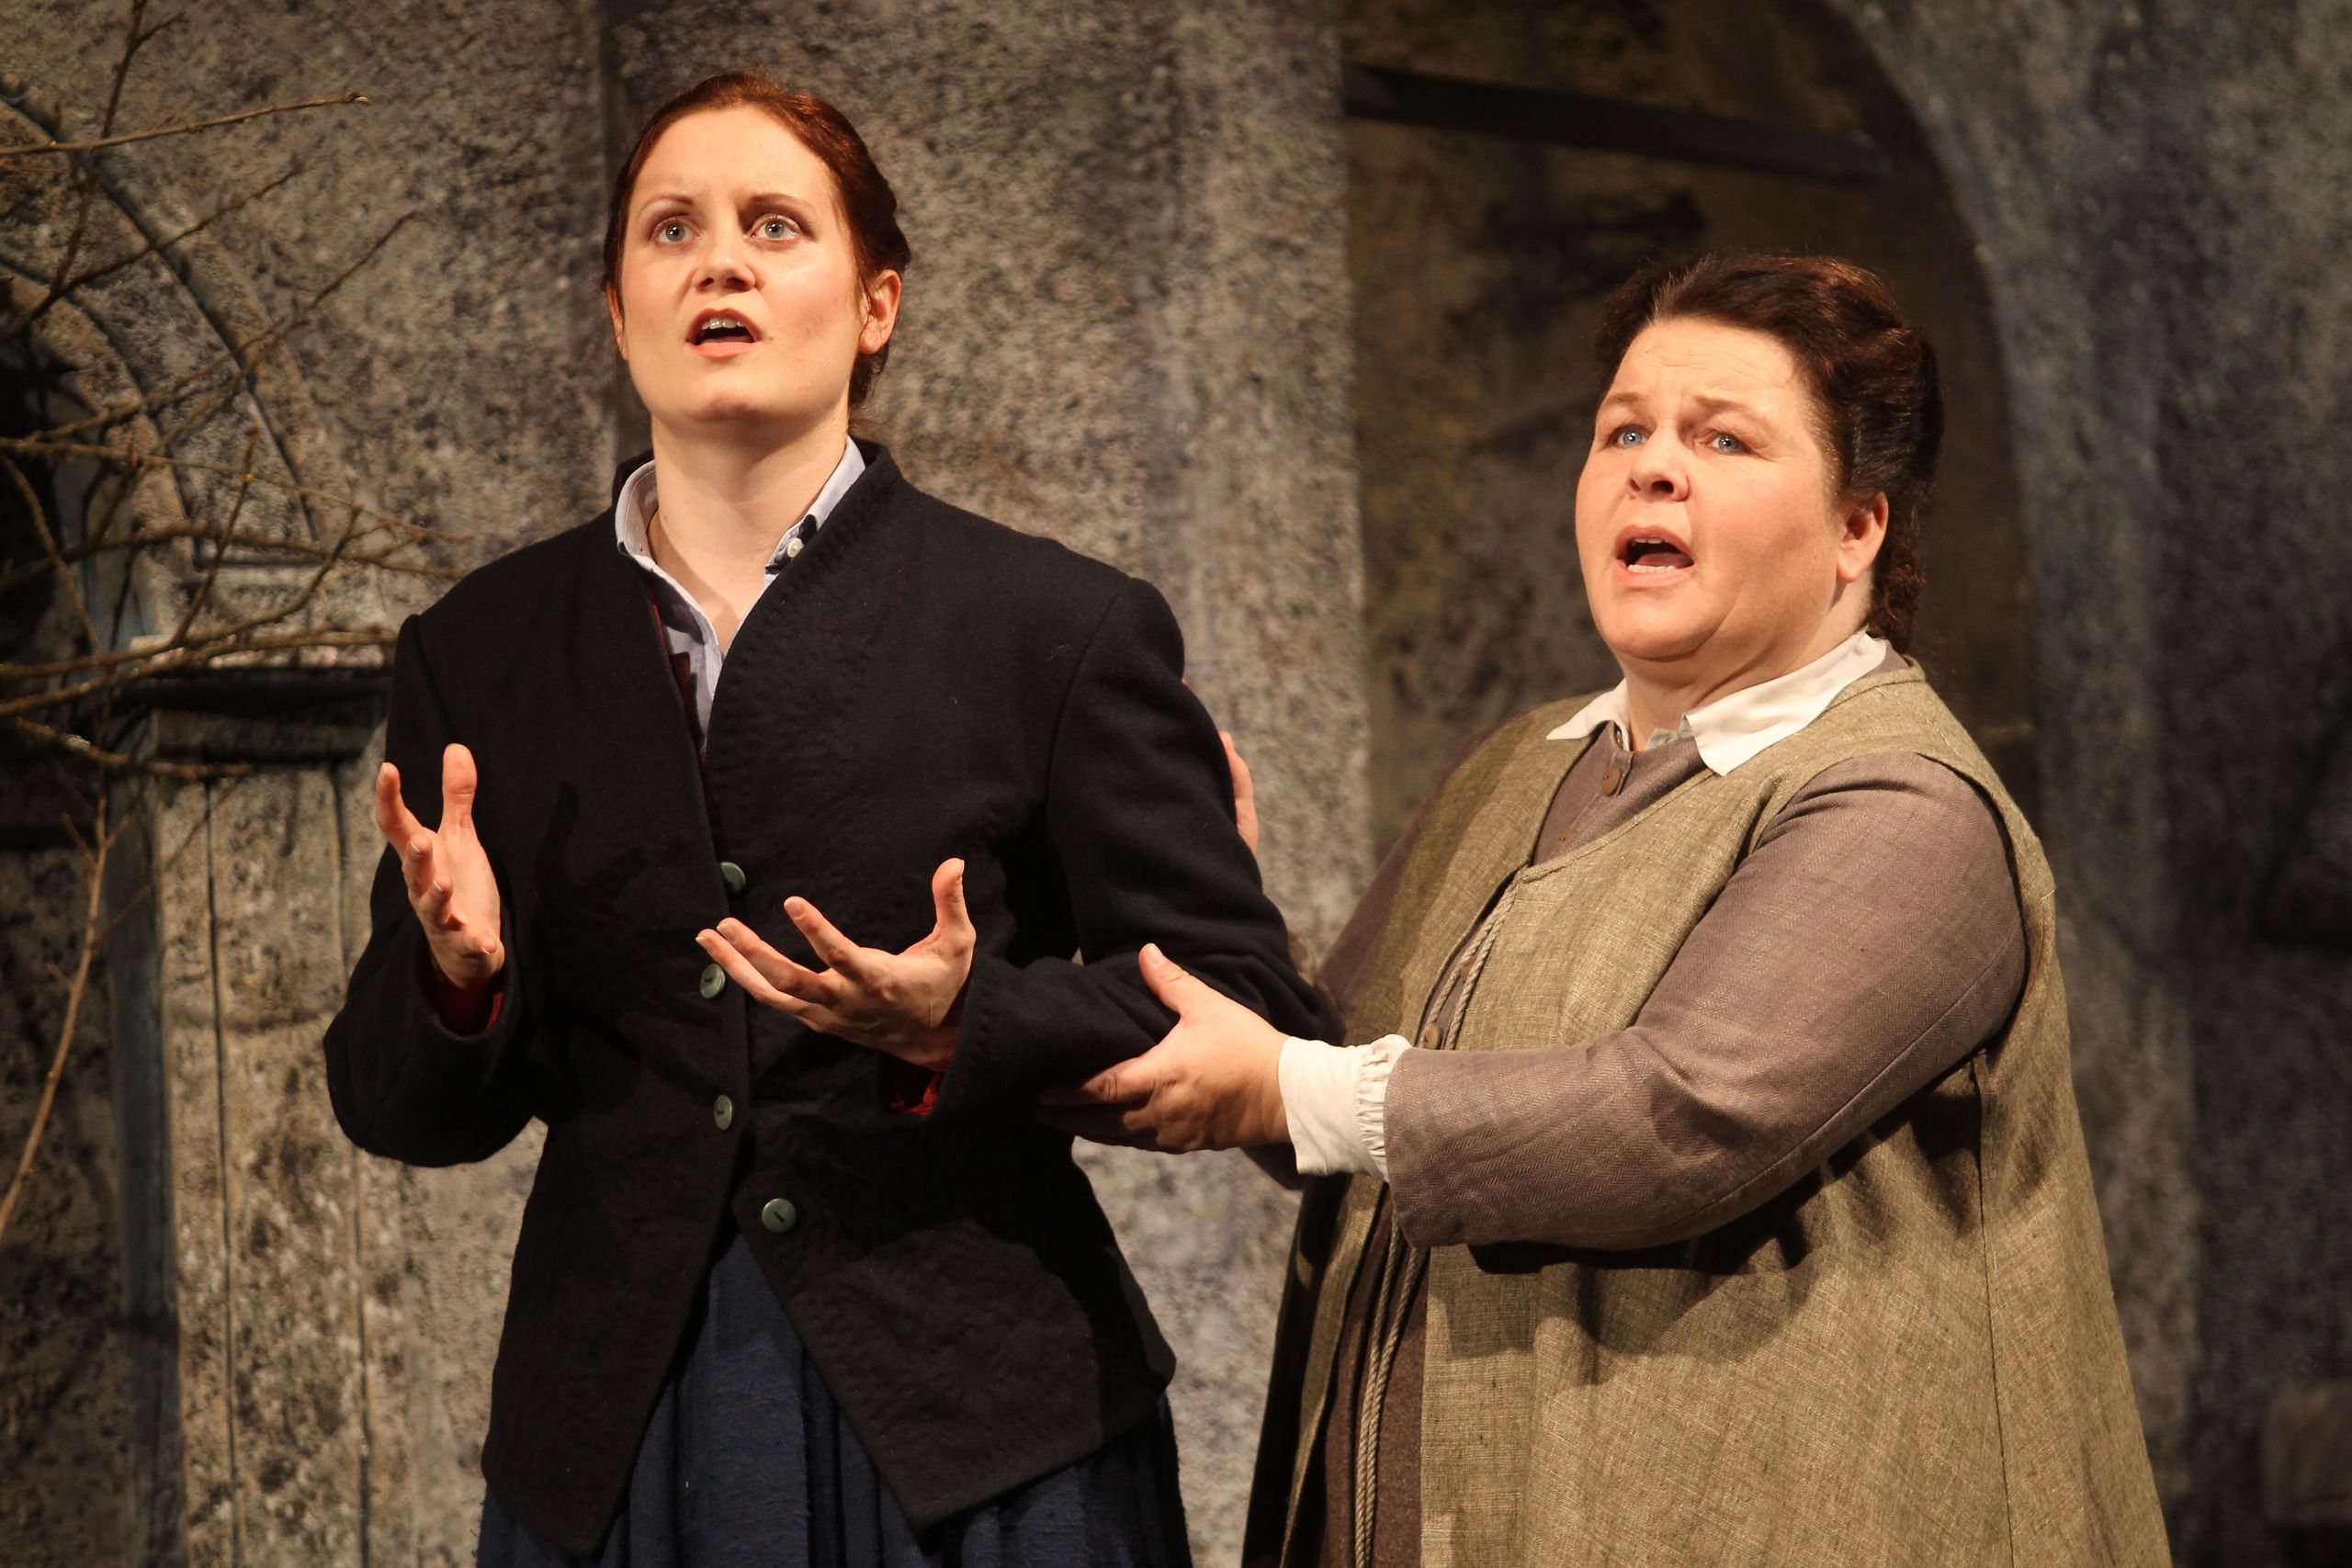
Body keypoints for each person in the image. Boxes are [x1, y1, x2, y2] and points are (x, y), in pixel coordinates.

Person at [322, 70, 1324, 1568]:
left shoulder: (1052, 626)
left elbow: (1248, 1009)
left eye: (775, 226)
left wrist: (968, 1023)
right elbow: (394, 1106)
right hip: (621, 1436)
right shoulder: (483, 651)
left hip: (982, 1430)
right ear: (616, 314)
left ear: (875, 304)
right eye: (672, 230)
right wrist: (459, 979)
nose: (719, 262)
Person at [1046, 254, 2171, 1566]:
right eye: (1624, 431)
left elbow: (1679, 1121)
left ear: (1858, 527)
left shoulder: (1899, 802)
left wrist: (1289, 1083)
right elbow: (1331, 1107)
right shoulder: (1520, 768)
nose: (1654, 469)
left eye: (1724, 439)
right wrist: (1210, 915)